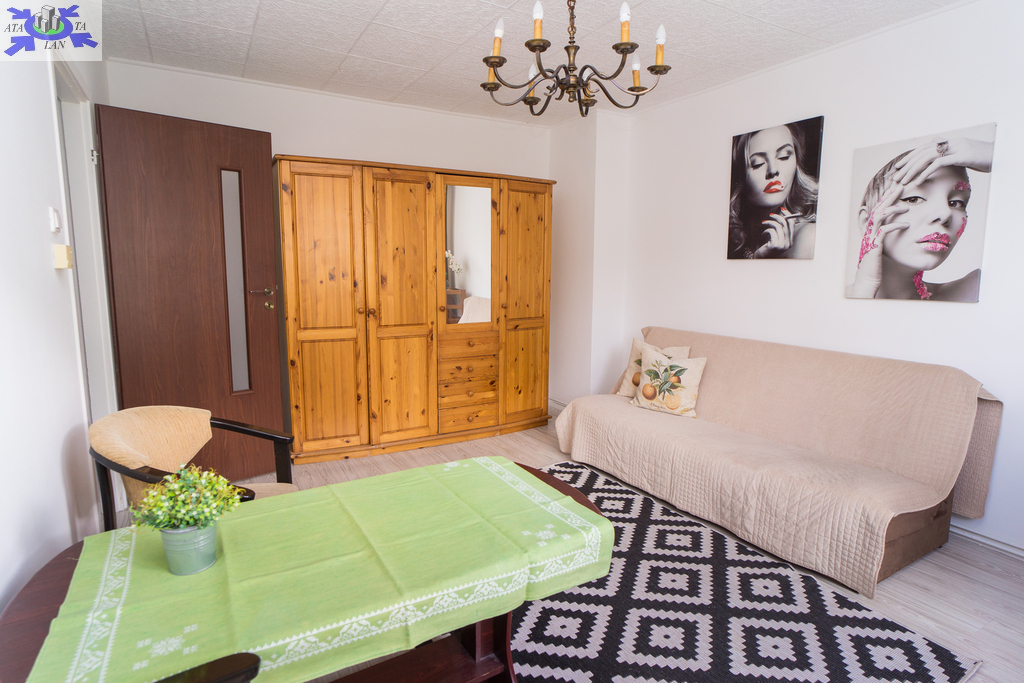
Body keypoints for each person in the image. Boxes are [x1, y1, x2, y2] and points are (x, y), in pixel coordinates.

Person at [848, 136, 993, 301]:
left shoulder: (972, 292)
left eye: (956, 203)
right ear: (866, 222)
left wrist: (989, 152)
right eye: (913, 199)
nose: (945, 214)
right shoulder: (825, 297)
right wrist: (865, 286)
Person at [728, 122, 820, 259]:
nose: (773, 170)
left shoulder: (807, 237)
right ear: (740, 178)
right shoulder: (736, 241)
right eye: (757, 163)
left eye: (784, 156)